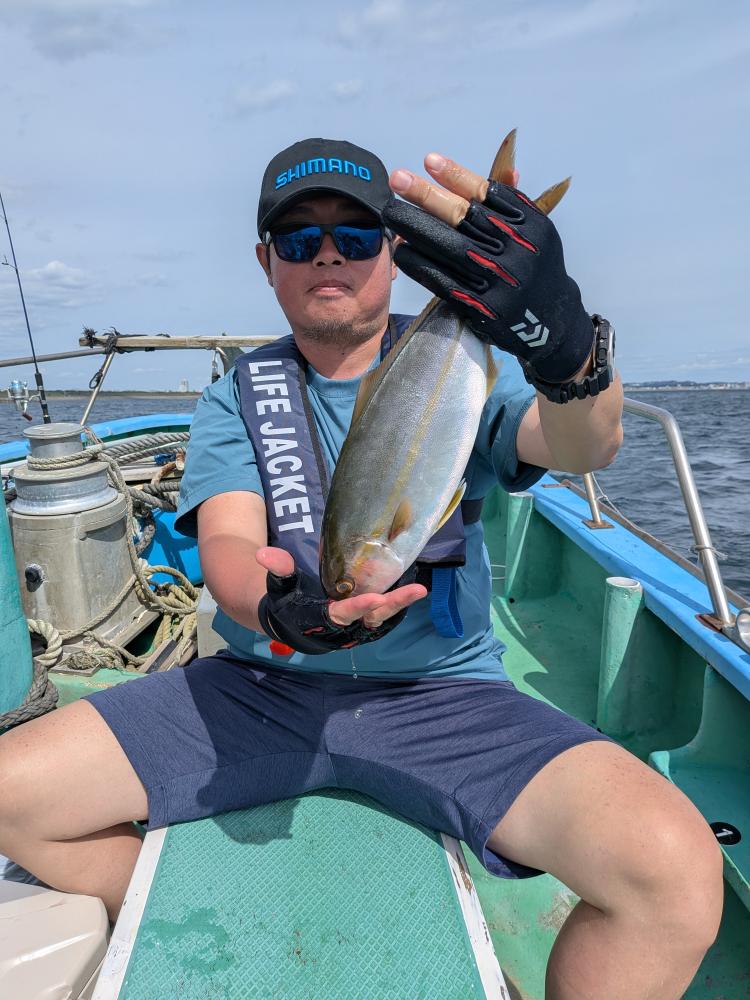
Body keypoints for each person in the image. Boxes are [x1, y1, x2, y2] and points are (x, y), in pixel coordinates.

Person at [0, 137, 722, 1000]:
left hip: (441, 694)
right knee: (11, 795)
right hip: (261, 688)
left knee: (673, 877)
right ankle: (210, 921)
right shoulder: (239, 394)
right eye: (299, 238)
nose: (328, 254)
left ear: (395, 250)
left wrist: (566, 349)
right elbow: (229, 543)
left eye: (355, 234)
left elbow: (581, 444)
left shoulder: (462, 364)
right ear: (268, 262)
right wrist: (275, 611)